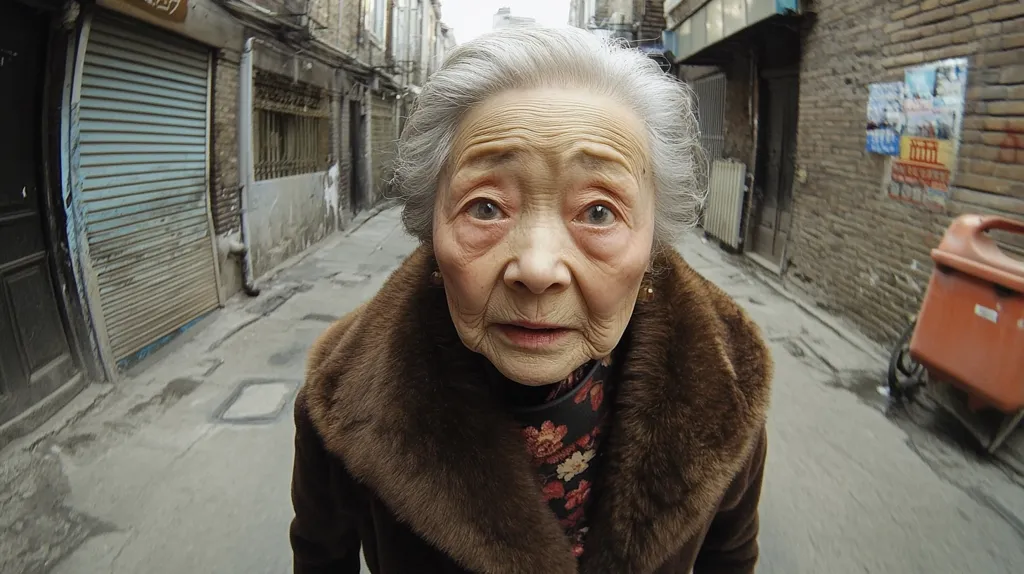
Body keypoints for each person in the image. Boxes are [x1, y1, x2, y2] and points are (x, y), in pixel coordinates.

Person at [290, 26, 772, 574]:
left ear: (652, 244)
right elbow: (319, 558)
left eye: (598, 212)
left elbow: (729, 559)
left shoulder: (728, 389)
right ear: (431, 229)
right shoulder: (340, 405)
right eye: (486, 207)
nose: (538, 269)